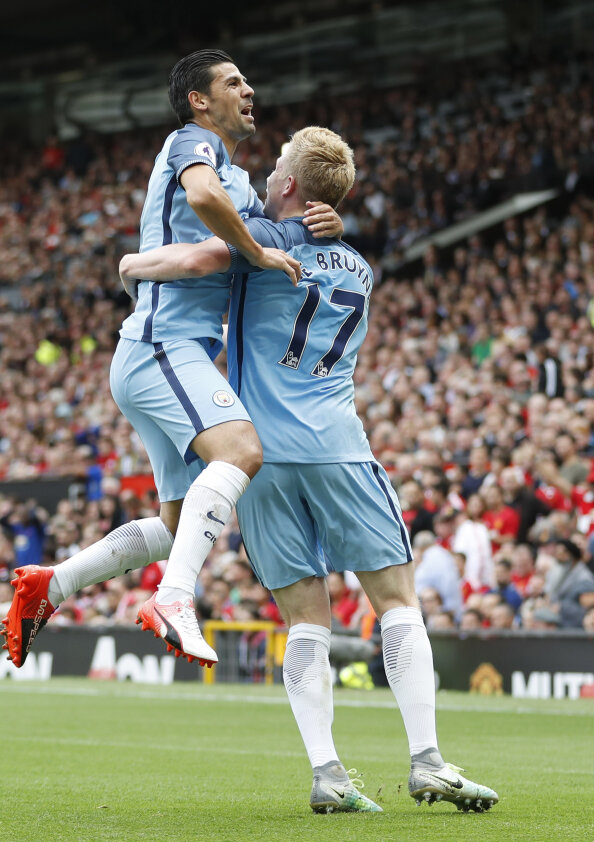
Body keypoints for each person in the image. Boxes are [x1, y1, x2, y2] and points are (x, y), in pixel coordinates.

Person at [119, 127, 497, 813]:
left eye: (276, 165)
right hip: (338, 448)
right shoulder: (359, 265)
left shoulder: (260, 244)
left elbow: (203, 256)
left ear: (291, 184)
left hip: (260, 458)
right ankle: (428, 761)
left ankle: (327, 772)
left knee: (306, 622)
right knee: (396, 603)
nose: (264, 172)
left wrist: (134, 265)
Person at [0, 49, 340, 668]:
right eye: (233, 81)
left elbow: (231, 234)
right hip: (164, 345)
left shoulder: (241, 184)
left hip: (164, 352)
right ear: (199, 101)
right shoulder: (191, 144)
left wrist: (322, 224)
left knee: (178, 521)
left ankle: (51, 585)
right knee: (241, 451)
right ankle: (174, 598)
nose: (250, 88)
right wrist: (258, 255)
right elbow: (206, 203)